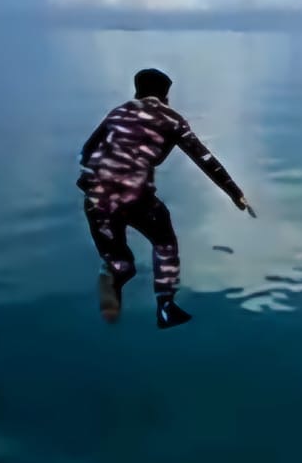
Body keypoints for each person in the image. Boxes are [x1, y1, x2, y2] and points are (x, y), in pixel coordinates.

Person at [77, 68, 254, 329]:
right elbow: (205, 160)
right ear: (165, 94)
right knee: (164, 243)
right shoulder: (171, 120)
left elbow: (87, 151)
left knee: (122, 264)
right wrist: (235, 193)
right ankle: (165, 306)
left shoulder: (118, 112)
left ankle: (115, 272)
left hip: (96, 198)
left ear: (137, 90)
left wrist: (90, 180)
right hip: (136, 198)